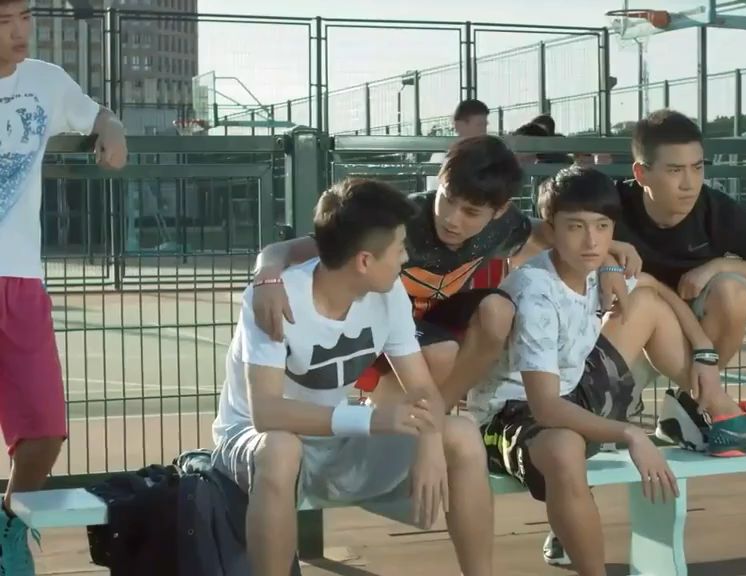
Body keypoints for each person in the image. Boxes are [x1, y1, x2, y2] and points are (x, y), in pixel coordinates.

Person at [470, 166, 746, 574]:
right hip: (512, 415)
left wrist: (704, 351)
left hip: (572, 390)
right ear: (551, 229)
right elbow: (545, 408)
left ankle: (716, 410)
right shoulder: (535, 294)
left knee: (645, 304)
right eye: (575, 227)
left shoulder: (597, 267)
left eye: (602, 227)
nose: (591, 240)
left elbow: (654, 288)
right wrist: (630, 434)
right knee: (563, 448)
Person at [210, 179, 496, 576]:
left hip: (335, 442)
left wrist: (431, 441)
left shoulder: (389, 294)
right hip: (256, 443)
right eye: (399, 248)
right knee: (280, 448)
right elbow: (267, 413)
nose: (405, 257)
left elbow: (421, 388)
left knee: (460, 433)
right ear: (364, 261)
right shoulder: (277, 299)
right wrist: (372, 419)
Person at [250, 135, 641, 415]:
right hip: (383, 326)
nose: (453, 220)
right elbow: (286, 249)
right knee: (439, 351)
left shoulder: (505, 227)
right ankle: (386, 416)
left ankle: (440, 414)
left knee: (498, 311)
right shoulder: (401, 220)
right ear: (439, 182)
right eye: (448, 200)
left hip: (433, 320)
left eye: (471, 212)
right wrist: (267, 276)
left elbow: (565, 233)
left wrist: (609, 258)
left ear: (499, 211)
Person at [0, 2, 128, 574]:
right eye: (4, 20)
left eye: (24, 16)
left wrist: (112, 128)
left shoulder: (46, 82)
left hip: (22, 281)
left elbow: (98, 114)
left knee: (46, 429)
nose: (19, 31)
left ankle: (9, 525)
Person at [611, 110, 746, 448]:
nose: (689, 183)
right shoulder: (609, 207)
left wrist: (718, 265)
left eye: (698, 167)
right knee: (593, 435)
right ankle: (709, 412)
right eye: (675, 170)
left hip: (693, 340)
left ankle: (697, 409)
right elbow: (548, 221)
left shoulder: (716, 210)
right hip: (629, 330)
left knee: (733, 289)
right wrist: (610, 248)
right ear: (641, 173)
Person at [426, 98, 490, 191]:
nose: (484, 131)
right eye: (479, 125)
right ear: (459, 126)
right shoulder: (444, 158)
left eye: (485, 125)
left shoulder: (484, 154)